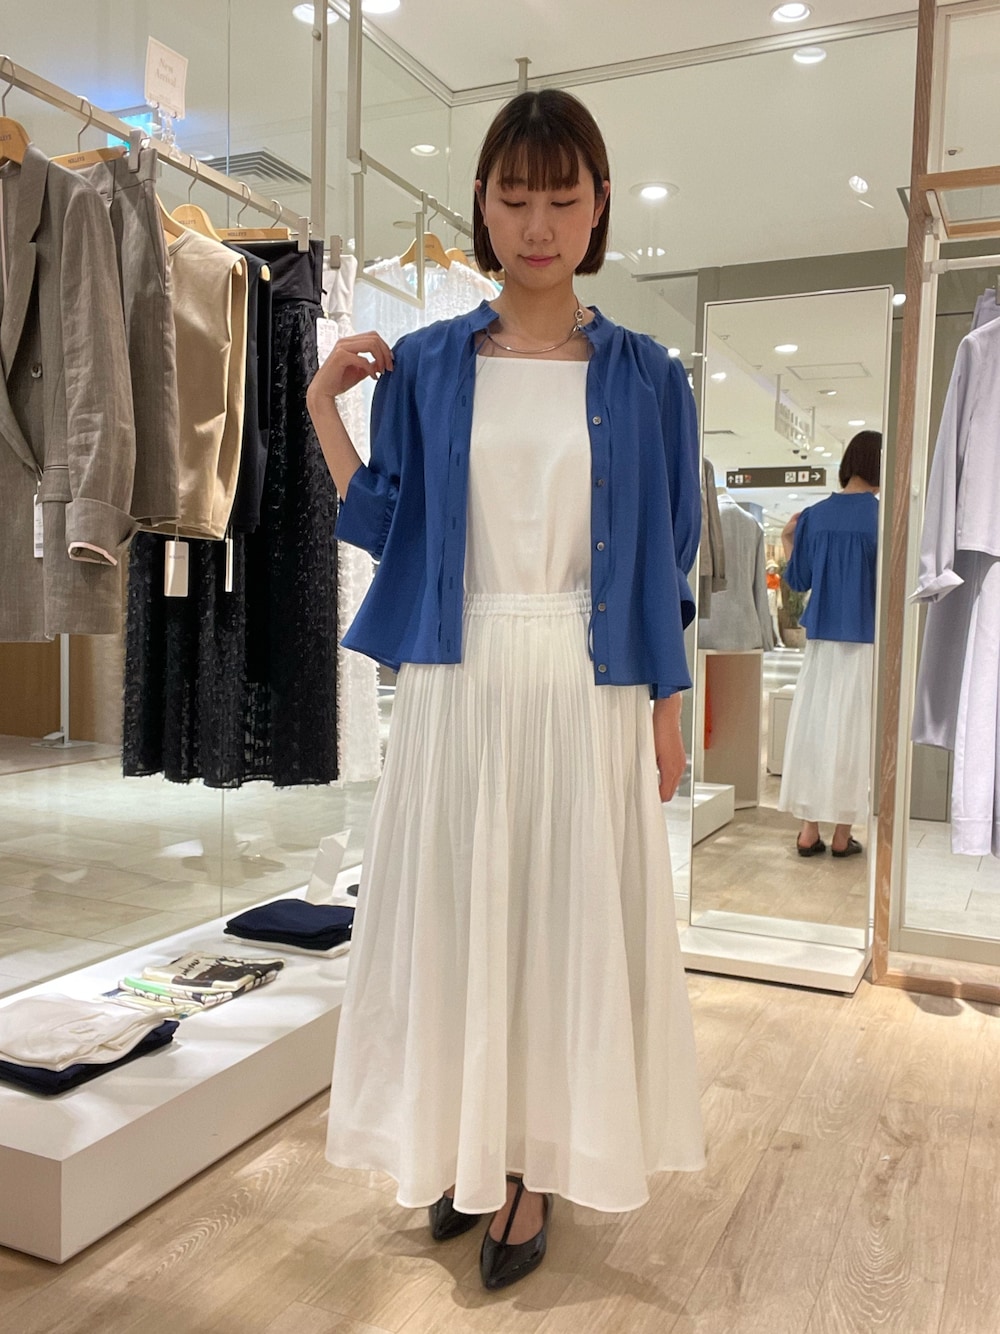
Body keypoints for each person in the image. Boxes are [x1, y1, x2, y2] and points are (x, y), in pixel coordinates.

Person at [306, 88, 705, 1294]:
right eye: (515, 195)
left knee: (558, 926)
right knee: (456, 919)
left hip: (584, 687)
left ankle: (533, 1164)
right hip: (458, 681)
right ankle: (465, 1142)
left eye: (562, 197)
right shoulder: (429, 363)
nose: (537, 224)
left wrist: (668, 708)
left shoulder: (647, 375)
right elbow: (387, 521)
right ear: (480, 203)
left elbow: (667, 557)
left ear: (598, 207)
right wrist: (323, 406)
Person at [777, 430, 882, 858]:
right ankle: (842, 835)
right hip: (865, 641)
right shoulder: (882, 517)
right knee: (853, 736)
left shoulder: (814, 516)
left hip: (820, 644)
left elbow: (799, 581)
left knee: (815, 732)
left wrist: (789, 541)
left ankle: (808, 831)